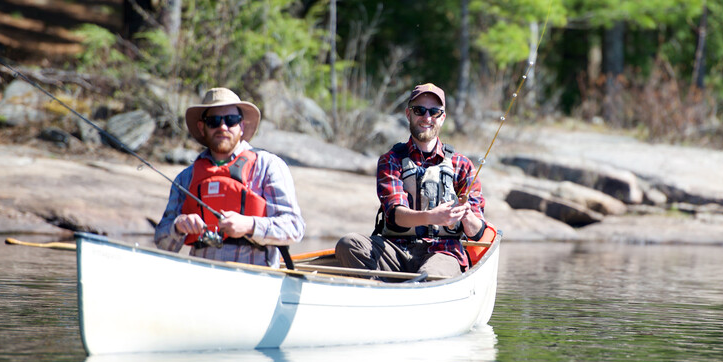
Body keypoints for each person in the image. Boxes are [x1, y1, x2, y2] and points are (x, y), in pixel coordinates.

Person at [335, 83, 487, 279]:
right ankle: (378, 293)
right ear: (408, 114)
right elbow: (395, 215)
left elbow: (477, 233)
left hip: (444, 251)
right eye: (419, 110)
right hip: (396, 250)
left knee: (429, 276)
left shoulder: (463, 165)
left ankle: (402, 289)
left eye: (434, 112)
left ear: (443, 118)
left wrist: (467, 216)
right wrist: (432, 216)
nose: (427, 117)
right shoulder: (391, 160)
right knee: (348, 244)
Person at [155, 87, 305, 267]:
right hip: (202, 279)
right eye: (214, 121)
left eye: (231, 120)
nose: (222, 127)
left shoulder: (268, 166)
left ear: (242, 126)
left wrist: (250, 225)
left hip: (257, 280)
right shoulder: (185, 178)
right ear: (202, 127)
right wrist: (178, 226)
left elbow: (294, 228)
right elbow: (162, 243)